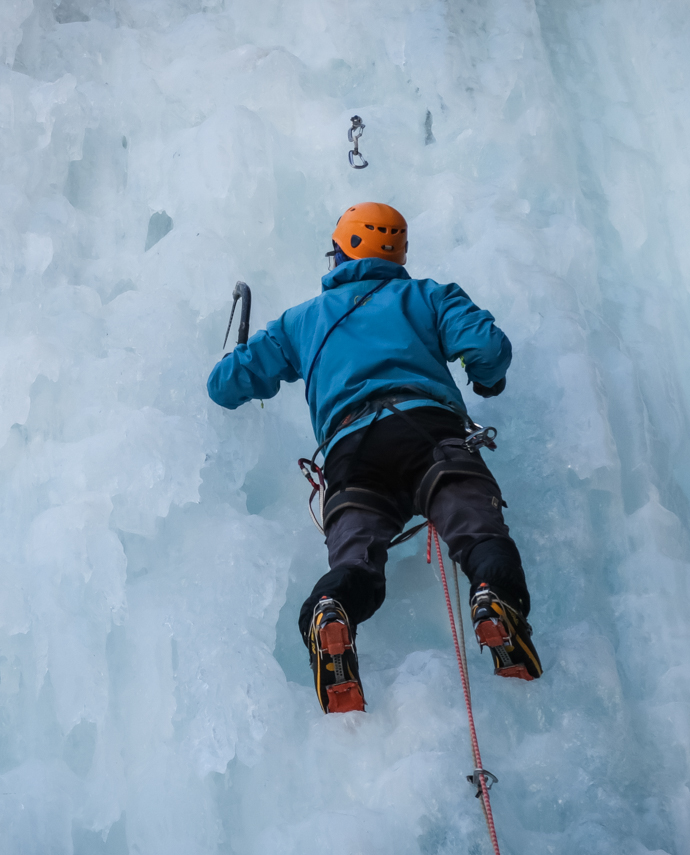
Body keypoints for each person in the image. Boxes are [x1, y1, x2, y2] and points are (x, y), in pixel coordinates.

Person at [207, 202, 542, 714]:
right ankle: (492, 597)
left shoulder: (301, 321)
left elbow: (225, 386)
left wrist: (235, 357)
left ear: (339, 253)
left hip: (351, 454)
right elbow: (487, 347)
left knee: (356, 564)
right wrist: (486, 381)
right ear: (397, 253)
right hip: (430, 435)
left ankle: (333, 607)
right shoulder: (428, 296)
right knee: (480, 535)